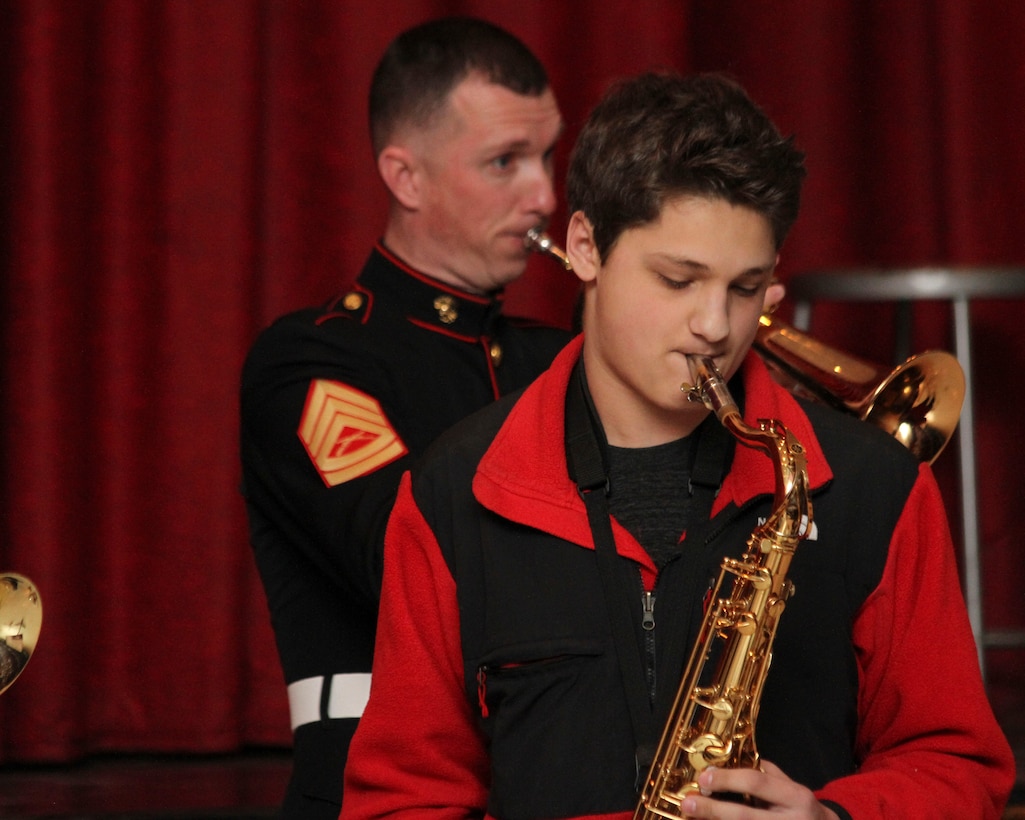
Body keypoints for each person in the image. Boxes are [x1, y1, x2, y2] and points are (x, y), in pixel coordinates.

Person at [341, 72, 1015, 819]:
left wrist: (831, 819)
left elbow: (959, 766)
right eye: (676, 279)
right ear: (584, 247)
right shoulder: (452, 490)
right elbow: (401, 801)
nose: (714, 327)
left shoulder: (872, 485)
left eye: (743, 287)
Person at [239, 17, 570, 818]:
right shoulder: (312, 362)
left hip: (551, 777)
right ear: (406, 177)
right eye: (505, 163)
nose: (545, 196)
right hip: (371, 787)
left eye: (547, 156)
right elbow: (403, 552)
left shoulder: (560, 357)